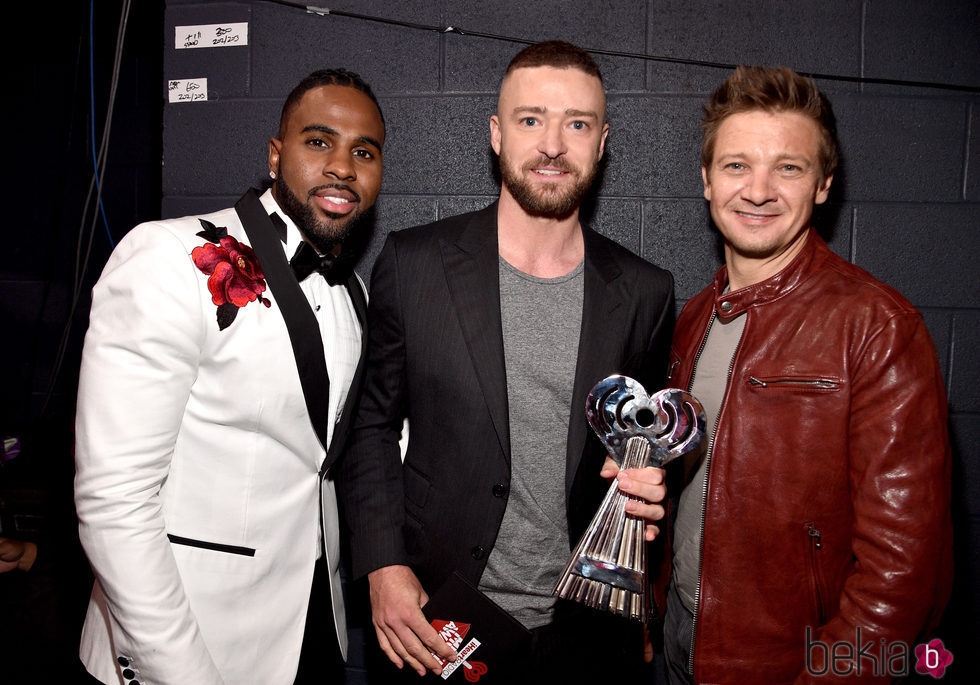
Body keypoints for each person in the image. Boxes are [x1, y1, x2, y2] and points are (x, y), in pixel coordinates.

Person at [338, 40, 674, 682]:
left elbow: (642, 454)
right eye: (530, 120)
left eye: (577, 123)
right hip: (439, 621)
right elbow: (371, 429)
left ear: (602, 142)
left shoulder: (644, 292)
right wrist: (382, 564)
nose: (552, 144)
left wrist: (651, 483)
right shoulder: (413, 265)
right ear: (497, 134)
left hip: (587, 632)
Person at [73, 68, 385, 684]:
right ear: (276, 154)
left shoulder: (355, 293)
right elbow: (113, 501)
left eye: (364, 152)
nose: (343, 167)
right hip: (189, 645)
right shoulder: (168, 258)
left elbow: (326, 449)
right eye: (318, 141)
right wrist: (182, 673)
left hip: (309, 631)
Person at [660, 65, 953, 683]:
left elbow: (905, 574)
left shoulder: (876, 326)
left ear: (822, 184)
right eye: (736, 165)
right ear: (707, 181)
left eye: (788, 168)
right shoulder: (693, 318)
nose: (758, 190)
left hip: (789, 666)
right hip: (679, 643)